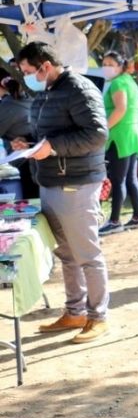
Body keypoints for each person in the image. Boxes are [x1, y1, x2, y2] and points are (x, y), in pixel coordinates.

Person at [13, 42, 111, 343]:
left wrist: (51, 147)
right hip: (53, 181)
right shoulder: (49, 90)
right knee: (67, 254)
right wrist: (28, 142)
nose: (28, 77)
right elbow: (52, 131)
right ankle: (75, 311)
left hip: (76, 183)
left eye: (30, 71)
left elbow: (96, 134)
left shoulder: (79, 89)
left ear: (44, 65)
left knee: (87, 253)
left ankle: (98, 316)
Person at [98, 51, 138, 235]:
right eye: (104, 62)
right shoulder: (128, 80)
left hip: (120, 136)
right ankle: (137, 217)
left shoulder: (118, 83)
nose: (106, 66)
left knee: (118, 180)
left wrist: (104, 128)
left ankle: (115, 221)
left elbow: (120, 109)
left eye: (111, 63)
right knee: (130, 178)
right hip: (132, 134)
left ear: (120, 66)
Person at [0, 75, 39, 198]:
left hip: (28, 161)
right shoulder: (29, 98)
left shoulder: (9, 105)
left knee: (33, 202)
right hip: (36, 159)